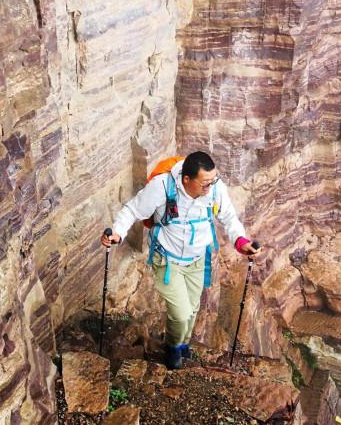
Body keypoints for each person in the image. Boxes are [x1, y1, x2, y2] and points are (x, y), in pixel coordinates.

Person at [101, 151, 260, 369]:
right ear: (187, 179)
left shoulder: (215, 189)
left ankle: (184, 344)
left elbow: (229, 218)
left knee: (193, 309)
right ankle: (173, 348)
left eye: (213, 181)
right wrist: (117, 232)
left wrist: (242, 242)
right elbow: (133, 209)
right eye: (205, 183)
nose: (210, 187)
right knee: (181, 312)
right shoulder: (162, 187)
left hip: (196, 258)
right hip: (167, 259)